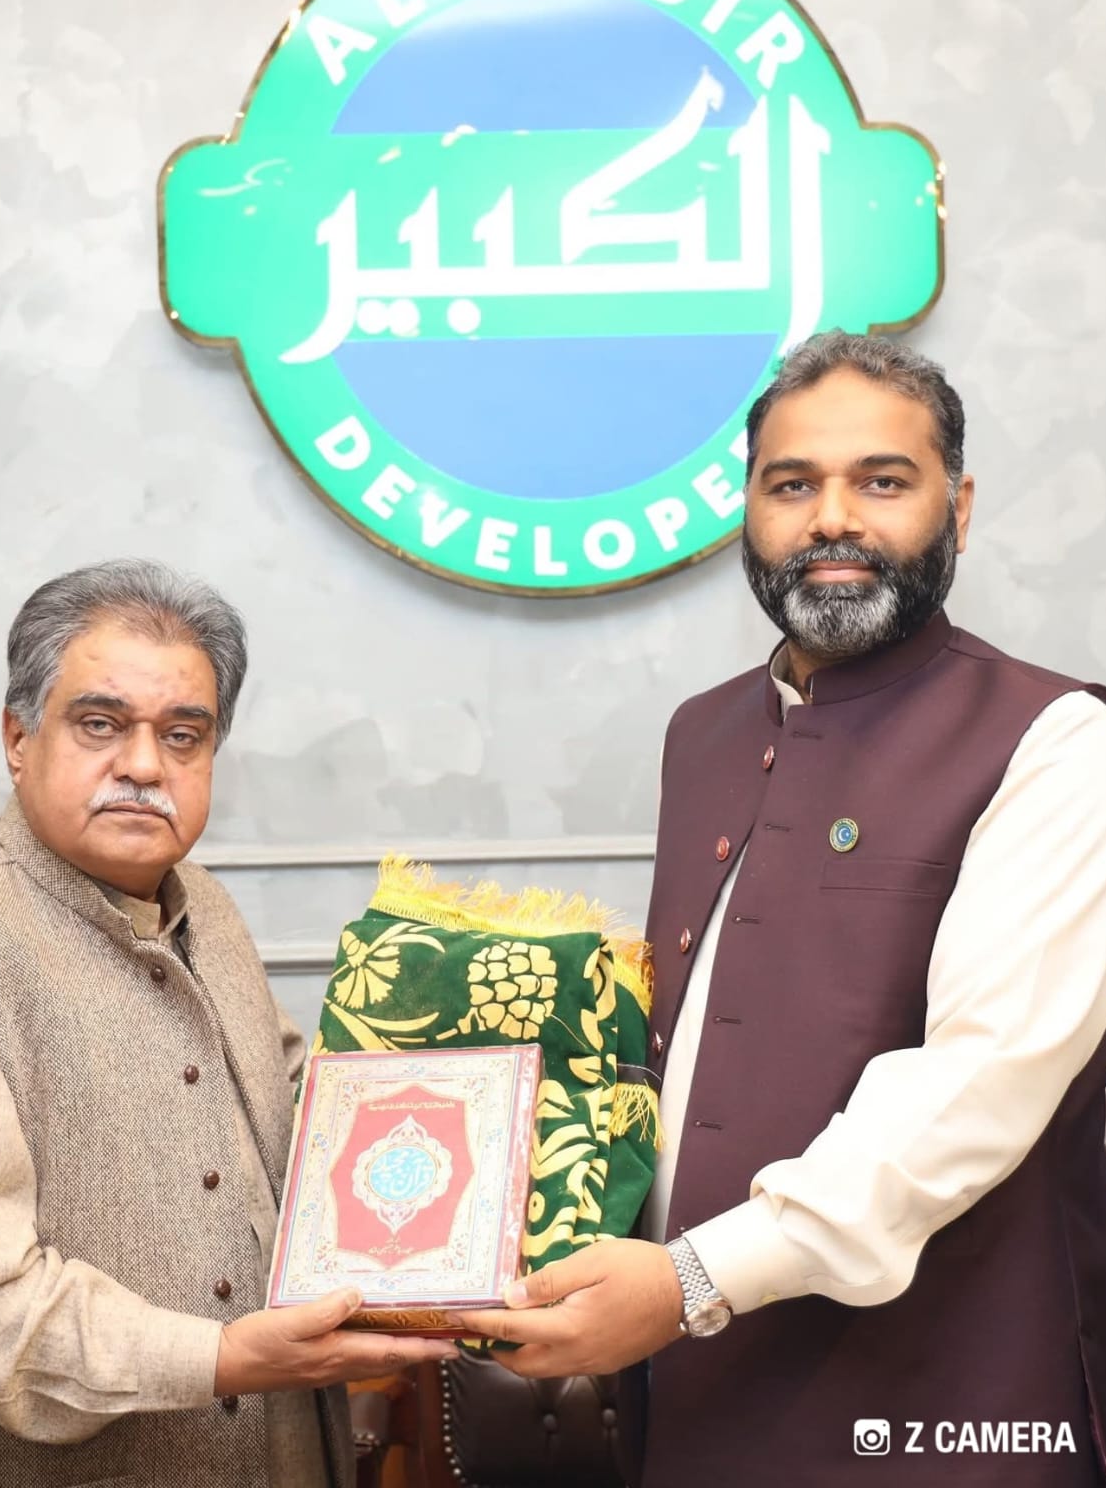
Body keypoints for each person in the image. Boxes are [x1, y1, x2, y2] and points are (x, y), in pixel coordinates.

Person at [459, 332, 1106, 1487]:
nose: (831, 519)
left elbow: (977, 1085)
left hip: (945, 1403)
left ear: (957, 509)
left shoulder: (1056, 741)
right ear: (746, 511)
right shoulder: (700, 733)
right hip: (690, 1385)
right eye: (791, 484)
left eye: (882, 481)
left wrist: (690, 1278)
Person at [0, 559, 449, 1488]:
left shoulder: (206, 909)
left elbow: (303, 1126)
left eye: (182, 735)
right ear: (18, 738)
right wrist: (216, 1360)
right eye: (100, 724)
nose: (145, 766)